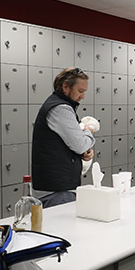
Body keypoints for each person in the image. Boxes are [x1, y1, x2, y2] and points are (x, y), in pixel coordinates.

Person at [31, 67, 95, 208]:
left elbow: (71, 144)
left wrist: (83, 150)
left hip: (57, 189)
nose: (83, 96)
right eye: (80, 91)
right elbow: (80, 144)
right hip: (57, 191)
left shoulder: (59, 105)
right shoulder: (60, 109)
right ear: (65, 87)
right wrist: (88, 132)